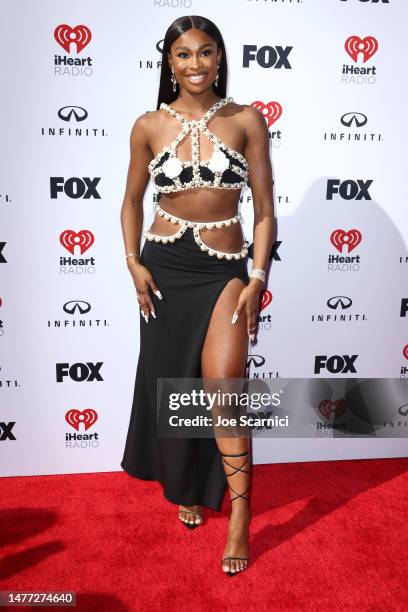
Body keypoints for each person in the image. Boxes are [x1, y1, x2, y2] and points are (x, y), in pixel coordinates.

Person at [120, 14, 274, 576]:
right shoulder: (147, 125)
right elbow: (131, 199)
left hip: (224, 273)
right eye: (184, 55)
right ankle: (186, 485)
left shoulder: (247, 120)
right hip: (163, 268)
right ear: (168, 62)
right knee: (176, 384)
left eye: (206, 53)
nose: (196, 65)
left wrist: (257, 278)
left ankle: (239, 514)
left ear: (220, 57)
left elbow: (264, 209)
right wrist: (133, 261)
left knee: (224, 387)